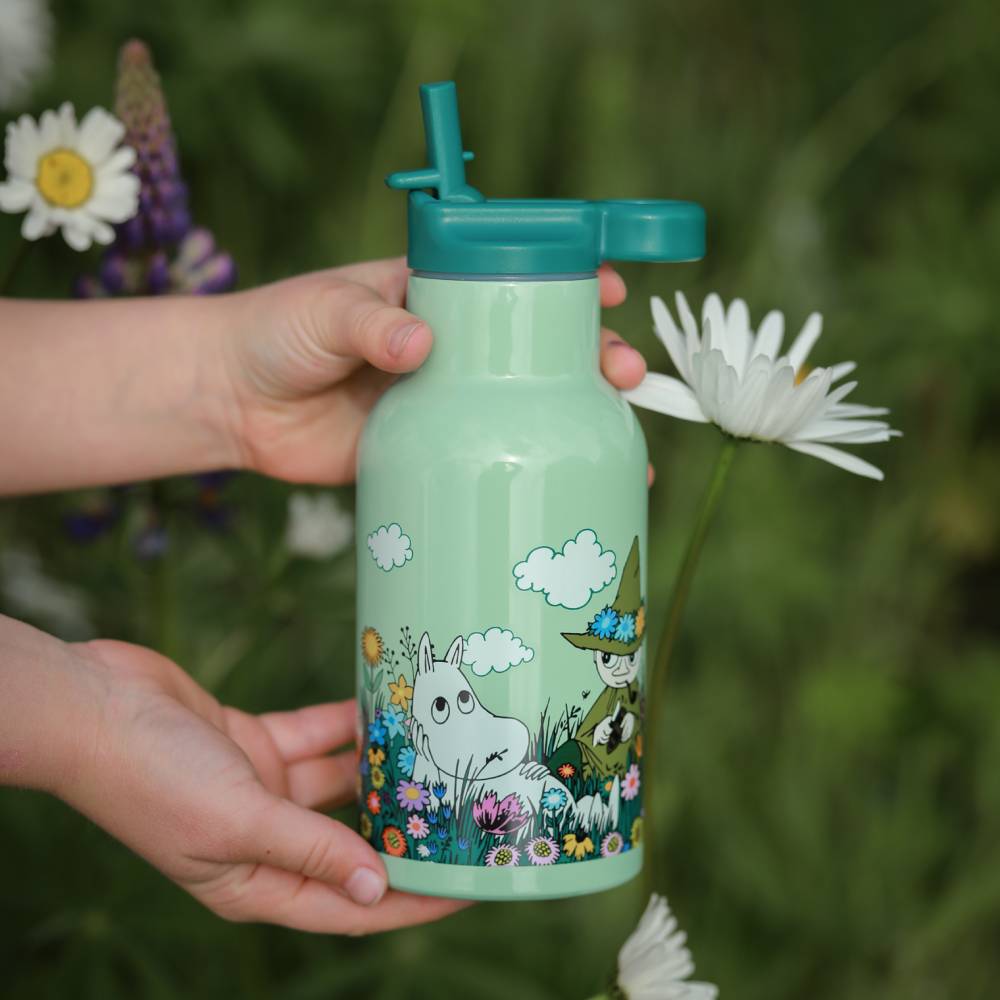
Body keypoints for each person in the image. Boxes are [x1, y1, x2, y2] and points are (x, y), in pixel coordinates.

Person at [0, 259, 647, 935]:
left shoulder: (582, 424)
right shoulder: (406, 423)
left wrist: (229, 380)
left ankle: (574, 816)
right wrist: (87, 727)